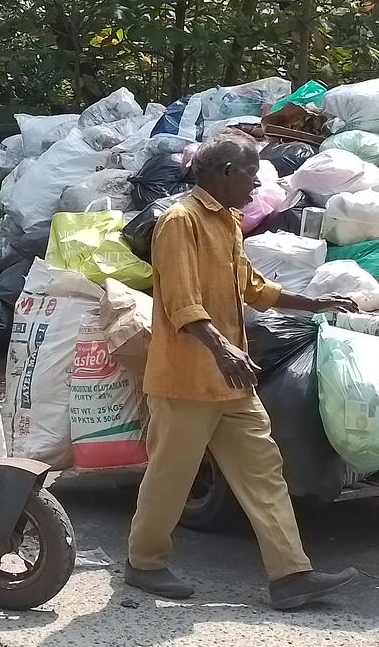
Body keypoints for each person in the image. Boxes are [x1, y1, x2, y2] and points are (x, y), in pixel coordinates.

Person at [125, 134, 358, 610]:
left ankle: (291, 575)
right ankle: (144, 563)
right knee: (171, 475)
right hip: (187, 378)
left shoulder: (227, 221)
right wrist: (224, 349)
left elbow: (252, 286)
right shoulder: (180, 221)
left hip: (232, 380)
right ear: (225, 173)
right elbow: (181, 302)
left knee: (264, 471)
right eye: (251, 174)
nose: (257, 184)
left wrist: (312, 301)